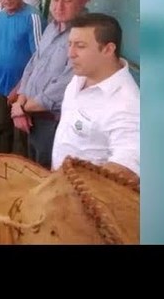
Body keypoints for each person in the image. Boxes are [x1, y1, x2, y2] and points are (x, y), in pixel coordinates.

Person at [10, 0, 97, 170]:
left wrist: (21, 108)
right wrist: (20, 101)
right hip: (29, 115)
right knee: (27, 170)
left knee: (46, 175)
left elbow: (65, 85)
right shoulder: (52, 27)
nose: (58, 6)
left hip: (52, 122)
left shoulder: (86, 35)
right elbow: (34, 64)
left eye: (66, 0)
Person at [52, 13, 139, 181]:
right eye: (70, 44)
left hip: (84, 200)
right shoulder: (79, 77)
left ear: (108, 49)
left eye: (80, 46)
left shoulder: (127, 104)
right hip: (58, 188)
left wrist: (70, 187)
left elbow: (126, 168)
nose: (71, 53)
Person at [0, 0, 44, 154]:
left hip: (23, 89)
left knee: (20, 134)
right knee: (0, 128)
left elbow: (40, 59)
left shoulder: (32, 17)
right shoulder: (1, 17)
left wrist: (20, 88)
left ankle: (17, 173)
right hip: (1, 84)